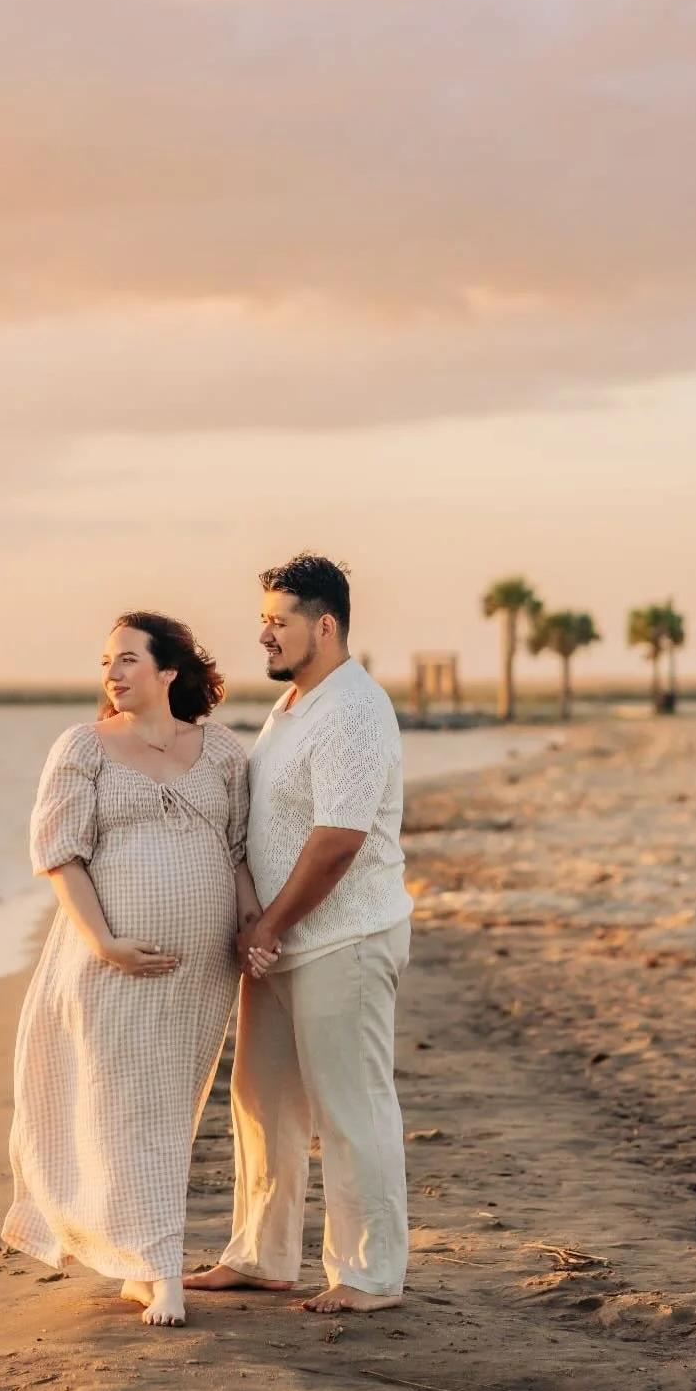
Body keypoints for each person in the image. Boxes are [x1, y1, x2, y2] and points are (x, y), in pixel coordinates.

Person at [2, 612, 257, 1327]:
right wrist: (105, 942)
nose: (111, 674)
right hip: (111, 963)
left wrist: (250, 928)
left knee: (168, 1112)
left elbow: (237, 852)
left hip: (200, 972)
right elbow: (61, 854)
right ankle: (161, 1268)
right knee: (121, 1106)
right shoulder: (83, 746)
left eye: (126, 660)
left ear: (169, 670)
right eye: (106, 662)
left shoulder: (224, 753)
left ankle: (141, 1258)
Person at [186, 554, 413, 1314]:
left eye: (278, 621)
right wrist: (258, 921)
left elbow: (338, 839)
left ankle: (371, 1272)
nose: (263, 635)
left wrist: (270, 925)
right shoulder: (294, 706)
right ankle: (261, 1254)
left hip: (342, 939)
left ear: (325, 624)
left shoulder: (355, 706)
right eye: (262, 620)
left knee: (351, 1107)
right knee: (262, 1100)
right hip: (282, 941)